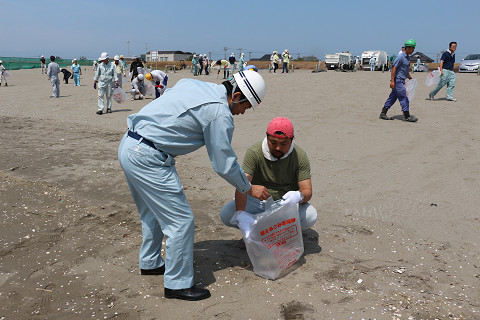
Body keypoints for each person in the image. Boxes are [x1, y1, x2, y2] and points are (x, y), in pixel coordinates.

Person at [118, 70, 266, 301]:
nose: (244, 112)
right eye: (246, 106)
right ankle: (177, 284)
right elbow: (224, 163)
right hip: (149, 157)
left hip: (130, 144)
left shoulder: (196, 84)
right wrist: (248, 187)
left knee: (153, 213)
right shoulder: (220, 113)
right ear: (236, 95)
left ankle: (150, 262)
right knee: (180, 221)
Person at [220, 117, 317, 232]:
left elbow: (307, 190)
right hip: (258, 203)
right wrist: (242, 211)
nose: (278, 148)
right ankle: (257, 231)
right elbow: (241, 184)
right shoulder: (254, 152)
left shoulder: (299, 156)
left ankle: (280, 233)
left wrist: (298, 196)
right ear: (267, 138)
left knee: (310, 216)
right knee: (227, 214)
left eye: (284, 143)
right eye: (273, 142)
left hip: (286, 204)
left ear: (291, 140)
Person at [379, 39, 418, 122]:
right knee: (404, 97)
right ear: (407, 48)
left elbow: (405, 69)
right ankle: (407, 116)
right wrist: (392, 81)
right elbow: (394, 68)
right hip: (398, 80)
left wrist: (410, 77)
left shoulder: (407, 58)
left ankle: (383, 113)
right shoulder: (400, 56)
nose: (413, 50)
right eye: (412, 48)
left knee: (392, 97)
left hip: (402, 80)